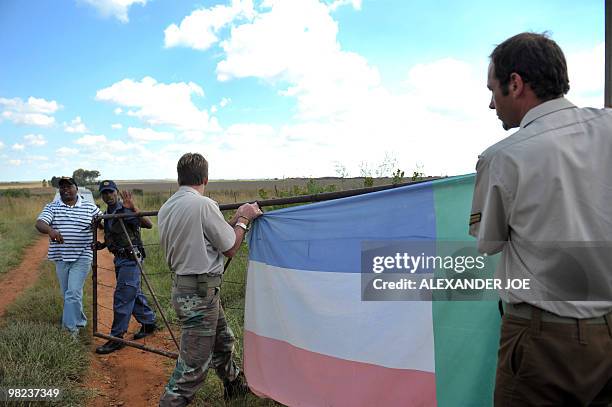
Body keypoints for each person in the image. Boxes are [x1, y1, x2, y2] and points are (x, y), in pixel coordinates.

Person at [470, 32, 612, 405]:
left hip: (542, 343)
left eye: (492, 89)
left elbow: (488, 243)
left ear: (515, 84)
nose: (490, 104)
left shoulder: (502, 157)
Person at [157, 153, 262, 407]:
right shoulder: (203, 205)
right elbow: (230, 247)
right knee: (193, 368)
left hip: (189, 290)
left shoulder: (167, 207)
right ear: (205, 178)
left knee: (223, 341)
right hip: (200, 295)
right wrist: (245, 217)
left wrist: (233, 222)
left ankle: (234, 385)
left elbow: (208, 236)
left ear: (180, 177)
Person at [94, 180, 158, 354]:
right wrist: (103, 245)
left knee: (123, 297)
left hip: (130, 260)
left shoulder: (124, 211)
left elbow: (147, 224)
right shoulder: (108, 213)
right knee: (133, 293)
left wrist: (134, 207)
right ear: (102, 195)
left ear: (116, 192)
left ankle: (116, 338)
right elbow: (114, 236)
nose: (108, 195)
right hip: (120, 259)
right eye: (105, 193)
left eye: (111, 192)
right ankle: (149, 322)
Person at [35, 176, 102, 337]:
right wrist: (51, 231)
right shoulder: (52, 207)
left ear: (76, 189)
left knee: (73, 293)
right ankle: (80, 321)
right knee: (68, 294)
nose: (65, 189)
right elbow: (40, 223)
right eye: (62, 187)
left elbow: (104, 223)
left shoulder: (89, 207)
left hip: (83, 255)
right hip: (61, 256)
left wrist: (108, 238)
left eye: (69, 186)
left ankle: (69, 331)